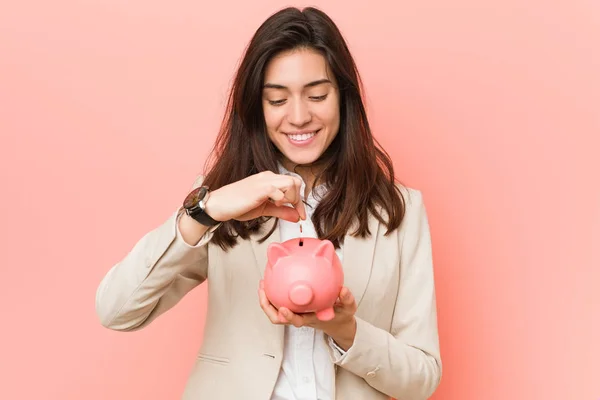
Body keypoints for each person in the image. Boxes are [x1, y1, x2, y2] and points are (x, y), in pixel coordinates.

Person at [95, 6, 442, 400]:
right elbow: (117, 310)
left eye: (316, 95)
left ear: (343, 98)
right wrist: (205, 211)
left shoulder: (398, 210)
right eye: (277, 100)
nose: (298, 116)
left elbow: (422, 379)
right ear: (256, 108)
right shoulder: (222, 202)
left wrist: (346, 329)